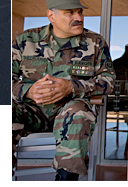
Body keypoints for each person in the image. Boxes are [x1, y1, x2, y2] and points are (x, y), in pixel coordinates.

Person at [12, 0, 115, 180]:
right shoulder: (26, 40)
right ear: (51, 15)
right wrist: (28, 90)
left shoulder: (94, 42)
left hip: (70, 112)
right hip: (30, 111)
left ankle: (66, 179)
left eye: (80, 12)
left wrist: (72, 87)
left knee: (78, 113)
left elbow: (109, 81)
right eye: (70, 13)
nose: (79, 18)